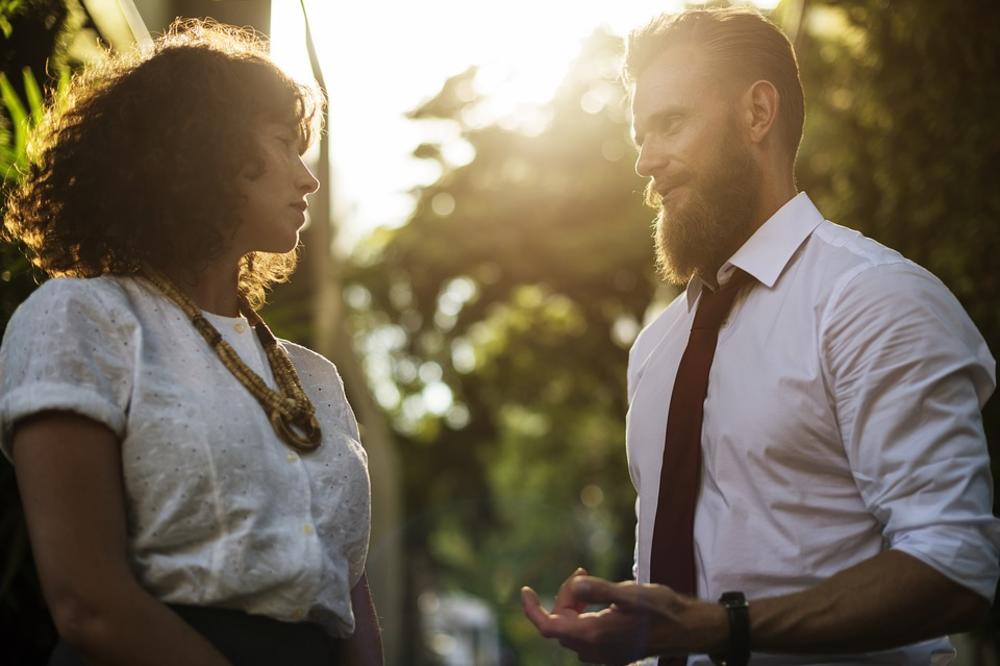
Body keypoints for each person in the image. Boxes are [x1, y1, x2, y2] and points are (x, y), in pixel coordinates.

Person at [521, 7, 998, 665]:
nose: (645, 161)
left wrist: (723, 628)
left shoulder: (874, 300)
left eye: (670, 123)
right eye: (640, 133)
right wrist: (628, 634)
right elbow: (673, 607)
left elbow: (955, 566)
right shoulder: (656, 352)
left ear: (757, 114)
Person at [0, 20, 382, 666]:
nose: (306, 178)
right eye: (284, 145)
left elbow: (345, 595)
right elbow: (88, 601)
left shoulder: (315, 377)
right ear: (206, 151)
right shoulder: (82, 318)